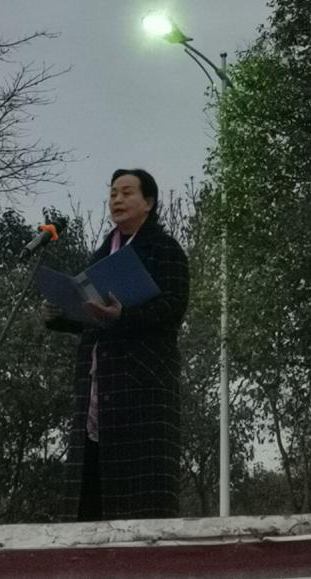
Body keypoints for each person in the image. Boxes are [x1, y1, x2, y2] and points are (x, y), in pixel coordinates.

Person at [41, 168, 190, 521]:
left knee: (140, 507)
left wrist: (124, 316)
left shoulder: (164, 249)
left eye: (126, 193)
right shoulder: (100, 257)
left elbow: (173, 306)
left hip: (142, 388)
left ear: (149, 202)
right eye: (112, 194)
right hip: (97, 391)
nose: (117, 200)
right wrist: (58, 316)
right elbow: (91, 318)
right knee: (89, 503)